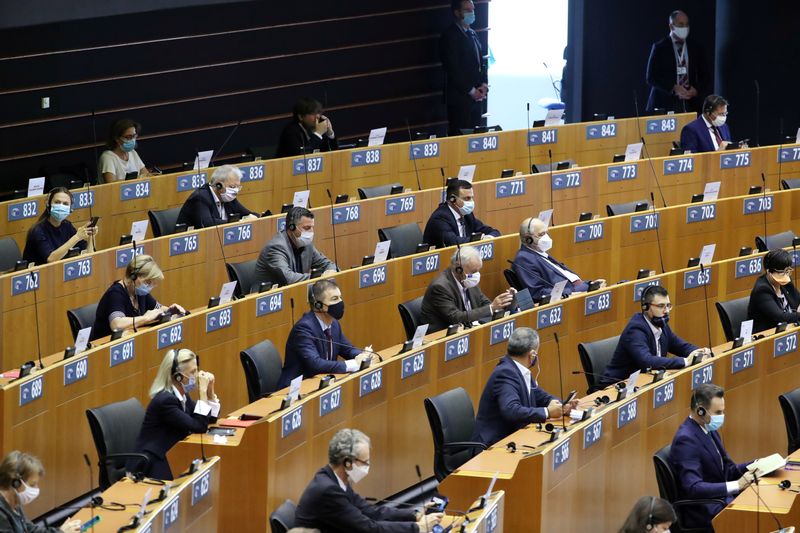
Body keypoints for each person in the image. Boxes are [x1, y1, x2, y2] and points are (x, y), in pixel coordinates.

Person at [294, 428, 443, 532]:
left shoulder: (334, 478)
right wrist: (418, 528)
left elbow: (371, 512)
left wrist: (415, 515)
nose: (368, 467)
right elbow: (369, 528)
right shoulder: (328, 490)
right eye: (365, 463)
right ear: (347, 462)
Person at [668, 384, 756, 530]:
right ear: (700, 410)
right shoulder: (686, 440)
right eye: (718, 412)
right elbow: (693, 487)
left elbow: (728, 469)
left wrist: (757, 464)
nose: (721, 416)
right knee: (753, 516)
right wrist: (737, 485)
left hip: (720, 499)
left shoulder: (709, 429)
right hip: (704, 509)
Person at [472, 328, 578, 446]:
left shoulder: (518, 368)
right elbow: (511, 410)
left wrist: (563, 405)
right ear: (532, 355)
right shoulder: (505, 373)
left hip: (512, 439)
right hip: (492, 446)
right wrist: (547, 412)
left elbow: (539, 396)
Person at [131, 349, 220, 480]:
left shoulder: (182, 397)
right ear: (178, 377)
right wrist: (202, 393)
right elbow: (199, 426)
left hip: (170, 456)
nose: (197, 376)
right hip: (150, 463)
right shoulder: (165, 401)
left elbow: (209, 419)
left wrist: (210, 393)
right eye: (192, 372)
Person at [600, 286, 710, 387]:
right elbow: (647, 361)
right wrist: (685, 361)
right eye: (661, 306)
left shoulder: (662, 326)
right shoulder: (636, 330)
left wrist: (699, 352)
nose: (666, 311)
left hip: (642, 384)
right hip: (616, 388)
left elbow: (681, 346)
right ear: (645, 307)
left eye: (668, 306)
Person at [278, 280, 378, 388]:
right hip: (295, 390)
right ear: (318, 305)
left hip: (321, 383)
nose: (340, 302)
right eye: (334, 299)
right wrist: (354, 364)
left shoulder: (334, 324)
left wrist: (363, 356)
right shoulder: (303, 329)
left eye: (340, 297)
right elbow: (316, 364)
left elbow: (348, 349)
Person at [419, 246, 515, 333]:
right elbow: (456, 318)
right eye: (473, 271)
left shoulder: (470, 279)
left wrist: (504, 301)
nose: (476, 275)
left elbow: (484, 303)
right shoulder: (440, 287)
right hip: (442, 337)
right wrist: (492, 308)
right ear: (458, 270)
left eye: (478, 271)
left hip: (466, 329)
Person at [92, 254, 186, 340]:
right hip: (104, 347)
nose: (149, 287)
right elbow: (117, 325)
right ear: (133, 276)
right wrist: (145, 318)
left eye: (152, 283)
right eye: (147, 282)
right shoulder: (115, 294)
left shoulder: (139, 292)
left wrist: (170, 311)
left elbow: (158, 308)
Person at [513, 217, 605, 300]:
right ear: (528, 239)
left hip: (577, 289)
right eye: (541, 234)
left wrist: (590, 284)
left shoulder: (538, 252)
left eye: (546, 233)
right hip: (569, 295)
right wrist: (571, 292)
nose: (546, 237)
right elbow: (537, 292)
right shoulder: (523, 259)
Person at [253, 207, 336, 288]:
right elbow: (289, 278)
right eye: (307, 228)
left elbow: (327, 264)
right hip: (266, 297)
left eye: (312, 227)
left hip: (294, 293)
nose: (311, 232)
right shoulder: (276, 247)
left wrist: (331, 272)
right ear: (291, 227)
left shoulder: (306, 244)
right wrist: (322, 277)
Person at [0, 451, 81, 533]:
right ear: (16, 483)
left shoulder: (14, 503)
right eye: (32, 484)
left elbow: (32, 530)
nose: (36, 489)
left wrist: (60, 530)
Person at [645, 10, 709, 113]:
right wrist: (674, 88)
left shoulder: (695, 47)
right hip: (665, 103)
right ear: (671, 26)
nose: (684, 28)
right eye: (681, 24)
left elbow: (706, 76)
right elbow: (651, 77)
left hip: (690, 103)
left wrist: (696, 90)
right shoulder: (660, 47)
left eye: (687, 24)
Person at [440, 0, 488, 135]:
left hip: (477, 100)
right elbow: (453, 69)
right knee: (461, 140)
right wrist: (472, 91)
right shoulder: (449, 36)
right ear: (457, 12)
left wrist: (484, 85)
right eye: (467, 10)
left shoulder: (472, 33)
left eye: (473, 9)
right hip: (460, 100)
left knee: (476, 139)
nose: (472, 13)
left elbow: (481, 62)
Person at [22, 187, 97, 265]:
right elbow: (51, 259)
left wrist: (91, 236)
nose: (61, 206)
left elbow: (89, 253)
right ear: (48, 204)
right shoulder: (38, 230)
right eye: (57, 202)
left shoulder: (67, 225)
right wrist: (77, 237)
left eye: (65, 204)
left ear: (70, 208)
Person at [422, 179, 499, 249]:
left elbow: (493, 231)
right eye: (467, 198)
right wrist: (480, 239)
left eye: (472, 198)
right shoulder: (440, 218)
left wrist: (489, 237)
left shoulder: (467, 215)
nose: (471, 202)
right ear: (453, 199)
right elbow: (453, 242)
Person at [176, 164, 258, 229]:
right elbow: (208, 224)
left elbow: (247, 214)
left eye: (238, 187)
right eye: (233, 187)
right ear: (218, 185)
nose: (235, 191)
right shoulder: (200, 198)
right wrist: (239, 222)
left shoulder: (229, 197)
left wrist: (257, 217)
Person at [748, 248, 799, 333]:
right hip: (766, 336)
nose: (785, 275)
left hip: (788, 328)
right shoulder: (762, 290)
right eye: (781, 272)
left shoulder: (784, 279)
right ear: (769, 272)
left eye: (787, 271)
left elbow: (797, 301)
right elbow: (780, 317)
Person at [98, 118, 152, 183]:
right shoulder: (108, 157)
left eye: (134, 136)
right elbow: (111, 183)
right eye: (128, 137)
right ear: (117, 138)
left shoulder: (133, 153)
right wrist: (137, 179)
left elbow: (146, 174)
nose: (132, 140)